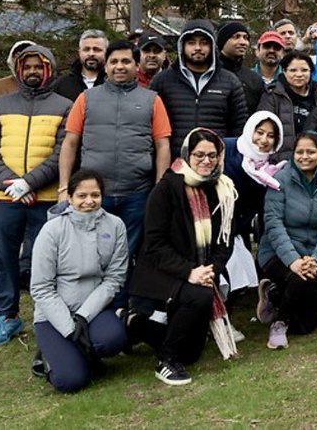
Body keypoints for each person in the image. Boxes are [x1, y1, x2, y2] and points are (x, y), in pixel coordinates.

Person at [127, 128, 239, 386]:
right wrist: (190, 272)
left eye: (212, 155)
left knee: (192, 353)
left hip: (202, 271)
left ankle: (136, 325)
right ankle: (165, 361)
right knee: (199, 296)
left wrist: (211, 269)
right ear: (188, 154)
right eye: (199, 154)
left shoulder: (223, 188)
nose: (206, 161)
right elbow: (154, 244)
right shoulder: (167, 188)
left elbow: (225, 240)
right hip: (163, 271)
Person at [58, 39, 173, 271]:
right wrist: (63, 188)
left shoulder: (152, 100)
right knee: (92, 252)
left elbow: (163, 146)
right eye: (114, 62)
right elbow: (69, 144)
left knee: (126, 254)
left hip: (137, 193)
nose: (119, 67)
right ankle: (95, 302)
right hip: (95, 194)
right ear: (106, 66)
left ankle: (121, 303)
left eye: (125, 61)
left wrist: (160, 187)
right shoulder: (86, 98)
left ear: (136, 64)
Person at [0, 44, 71, 347]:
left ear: (49, 69)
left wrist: (30, 183)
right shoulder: (0, 104)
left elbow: (62, 152)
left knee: (43, 260)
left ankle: (46, 315)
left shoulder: (65, 105)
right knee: (6, 259)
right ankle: (7, 316)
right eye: (28, 67)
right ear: (19, 70)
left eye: (39, 66)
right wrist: (11, 184)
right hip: (3, 196)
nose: (33, 72)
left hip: (45, 196)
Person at [29, 169, 128, 393]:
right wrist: (69, 328)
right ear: (70, 197)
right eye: (82, 196)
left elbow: (114, 278)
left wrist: (83, 316)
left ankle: (81, 355)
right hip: (54, 314)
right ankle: (50, 355)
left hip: (92, 310)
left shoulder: (115, 226)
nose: (89, 201)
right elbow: (41, 288)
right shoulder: (51, 230)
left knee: (113, 339)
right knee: (70, 380)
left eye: (95, 195)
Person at [256, 131, 317, 348]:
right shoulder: (279, 179)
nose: (304, 156)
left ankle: (274, 295)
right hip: (278, 253)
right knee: (299, 279)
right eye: (299, 152)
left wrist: (316, 260)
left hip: (313, 256)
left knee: (304, 327)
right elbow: (273, 223)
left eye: (311, 152)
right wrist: (293, 261)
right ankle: (279, 322)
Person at [150, 19, 249, 154]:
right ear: (182, 46)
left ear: (212, 46)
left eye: (204, 43)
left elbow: (239, 128)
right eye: (191, 43)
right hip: (174, 164)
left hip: (214, 163)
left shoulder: (230, 81)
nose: (198, 48)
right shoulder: (162, 81)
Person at [222, 111, 285, 243]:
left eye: (271, 136)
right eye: (260, 132)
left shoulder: (270, 169)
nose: (263, 140)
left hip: (239, 230)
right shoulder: (226, 148)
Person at [258, 51, 317, 154]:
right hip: (280, 159)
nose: (299, 74)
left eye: (304, 70)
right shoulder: (272, 95)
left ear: (311, 72)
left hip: (313, 157)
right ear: (284, 71)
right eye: (293, 70)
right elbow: (263, 130)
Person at [216, 21, 264, 114]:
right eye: (236, 37)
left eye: (245, 38)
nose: (243, 42)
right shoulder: (210, 74)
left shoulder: (254, 79)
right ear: (223, 41)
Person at [52, 30, 107, 102]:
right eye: (86, 49)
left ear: (106, 53)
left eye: (97, 50)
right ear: (79, 52)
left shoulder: (114, 83)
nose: (91, 53)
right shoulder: (61, 84)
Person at [0, 39, 33, 109]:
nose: (23, 59)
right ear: (11, 58)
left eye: (29, 55)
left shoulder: (49, 86)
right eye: (18, 54)